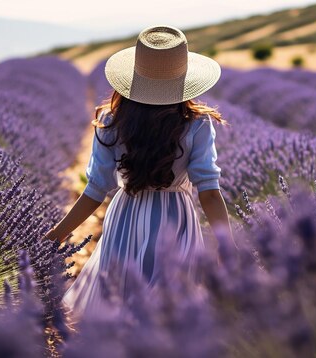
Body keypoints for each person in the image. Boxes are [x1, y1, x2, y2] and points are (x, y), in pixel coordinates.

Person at [42, 25, 235, 322]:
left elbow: (95, 190)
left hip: (125, 218)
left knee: (123, 302)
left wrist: (56, 234)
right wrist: (226, 244)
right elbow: (208, 191)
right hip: (176, 221)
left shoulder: (111, 122)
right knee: (171, 305)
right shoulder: (196, 124)